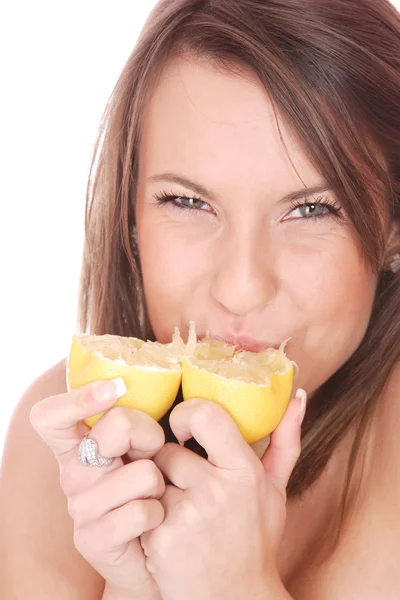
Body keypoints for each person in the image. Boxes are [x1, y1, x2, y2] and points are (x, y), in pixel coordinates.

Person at [1, 0, 400, 598]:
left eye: (312, 210)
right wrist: (136, 584)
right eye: (188, 203)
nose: (241, 288)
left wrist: (237, 587)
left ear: (393, 226)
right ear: (129, 215)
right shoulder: (64, 439)